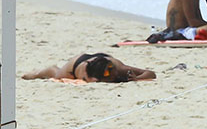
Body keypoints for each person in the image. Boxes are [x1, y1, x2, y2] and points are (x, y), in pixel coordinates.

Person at [22, 53, 156, 82]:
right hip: (77, 63)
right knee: (56, 75)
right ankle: (43, 71)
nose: (114, 75)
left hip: (102, 59)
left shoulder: (118, 67)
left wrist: (137, 78)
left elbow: (150, 73)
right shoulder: (89, 75)